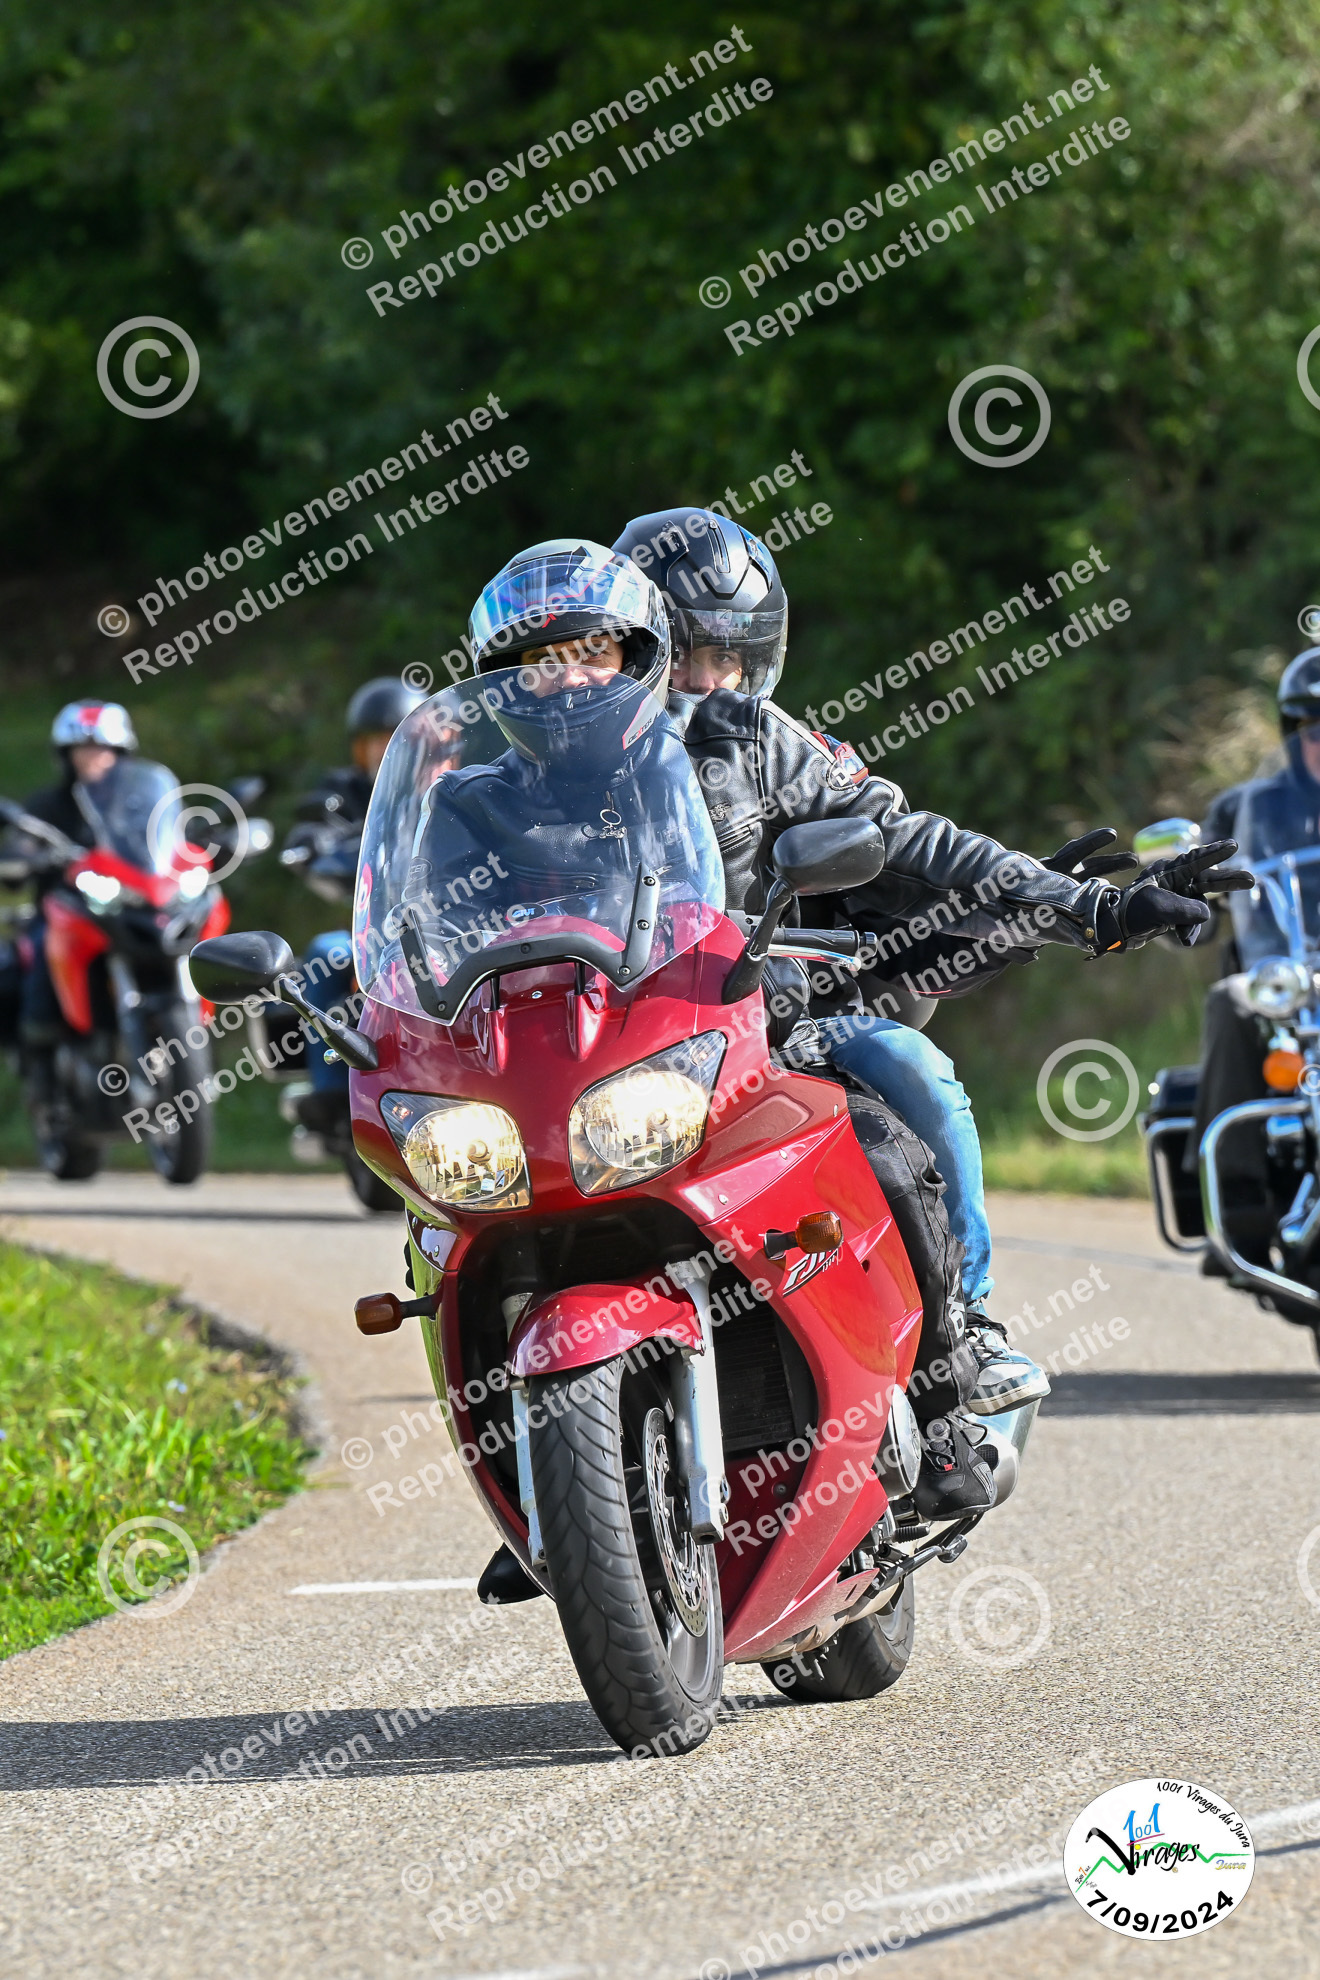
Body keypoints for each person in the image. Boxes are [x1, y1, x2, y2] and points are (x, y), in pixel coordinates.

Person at [1185, 646, 1319, 1243]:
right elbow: (1196, 912)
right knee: (1232, 1001)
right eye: (1314, 728)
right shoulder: (1245, 808)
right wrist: (1187, 893)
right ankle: (1239, 1197)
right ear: (1293, 731)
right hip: (1286, 977)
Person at [280, 676, 426, 1148]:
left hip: (446, 933)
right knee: (327, 954)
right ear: (359, 748)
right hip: (372, 935)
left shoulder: (451, 787)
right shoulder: (344, 792)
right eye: (377, 740)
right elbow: (315, 827)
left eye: (400, 736)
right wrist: (312, 844)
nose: (388, 749)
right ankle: (329, 1092)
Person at [16, 702, 138, 1075]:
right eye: (83, 749)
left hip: (131, 906)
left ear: (120, 753)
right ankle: (40, 1047)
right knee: (43, 946)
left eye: (103, 748)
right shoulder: (46, 806)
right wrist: (24, 856)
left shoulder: (137, 805)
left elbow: (167, 842)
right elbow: (22, 844)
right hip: (66, 910)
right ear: (67, 756)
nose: (93, 757)